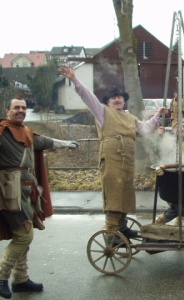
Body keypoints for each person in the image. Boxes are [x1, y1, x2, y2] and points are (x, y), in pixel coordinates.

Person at [58, 66, 167, 242]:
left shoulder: (130, 118)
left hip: (127, 161)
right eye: (113, 98)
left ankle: (122, 228)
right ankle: (111, 233)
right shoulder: (102, 113)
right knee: (114, 193)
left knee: (124, 192)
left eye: (120, 98)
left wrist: (159, 115)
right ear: (108, 102)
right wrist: (74, 80)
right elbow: (88, 96)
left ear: (124, 101)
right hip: (111, 160)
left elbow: (146, 129)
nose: (117, 100)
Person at [0, 99, 78, 299]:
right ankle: (2, 276)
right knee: (24, 235)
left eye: (24, 108)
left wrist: (66, 143)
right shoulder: (2, 131)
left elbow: (44, 141)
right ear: (7, 110)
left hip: (26, 191)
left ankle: (20, 279)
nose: (20, 111)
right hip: (8, 191)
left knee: (24, 236)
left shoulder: (26, 131)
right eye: (16, 107)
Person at [155, 118, 184, 225]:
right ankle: (160, 221)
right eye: (178, 126)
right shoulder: (168, 140)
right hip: (170, 177)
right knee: (177, 205)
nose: (181, 129)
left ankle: (180, 222)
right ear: (174, 129)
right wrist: (160, 136)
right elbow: (158, 148)